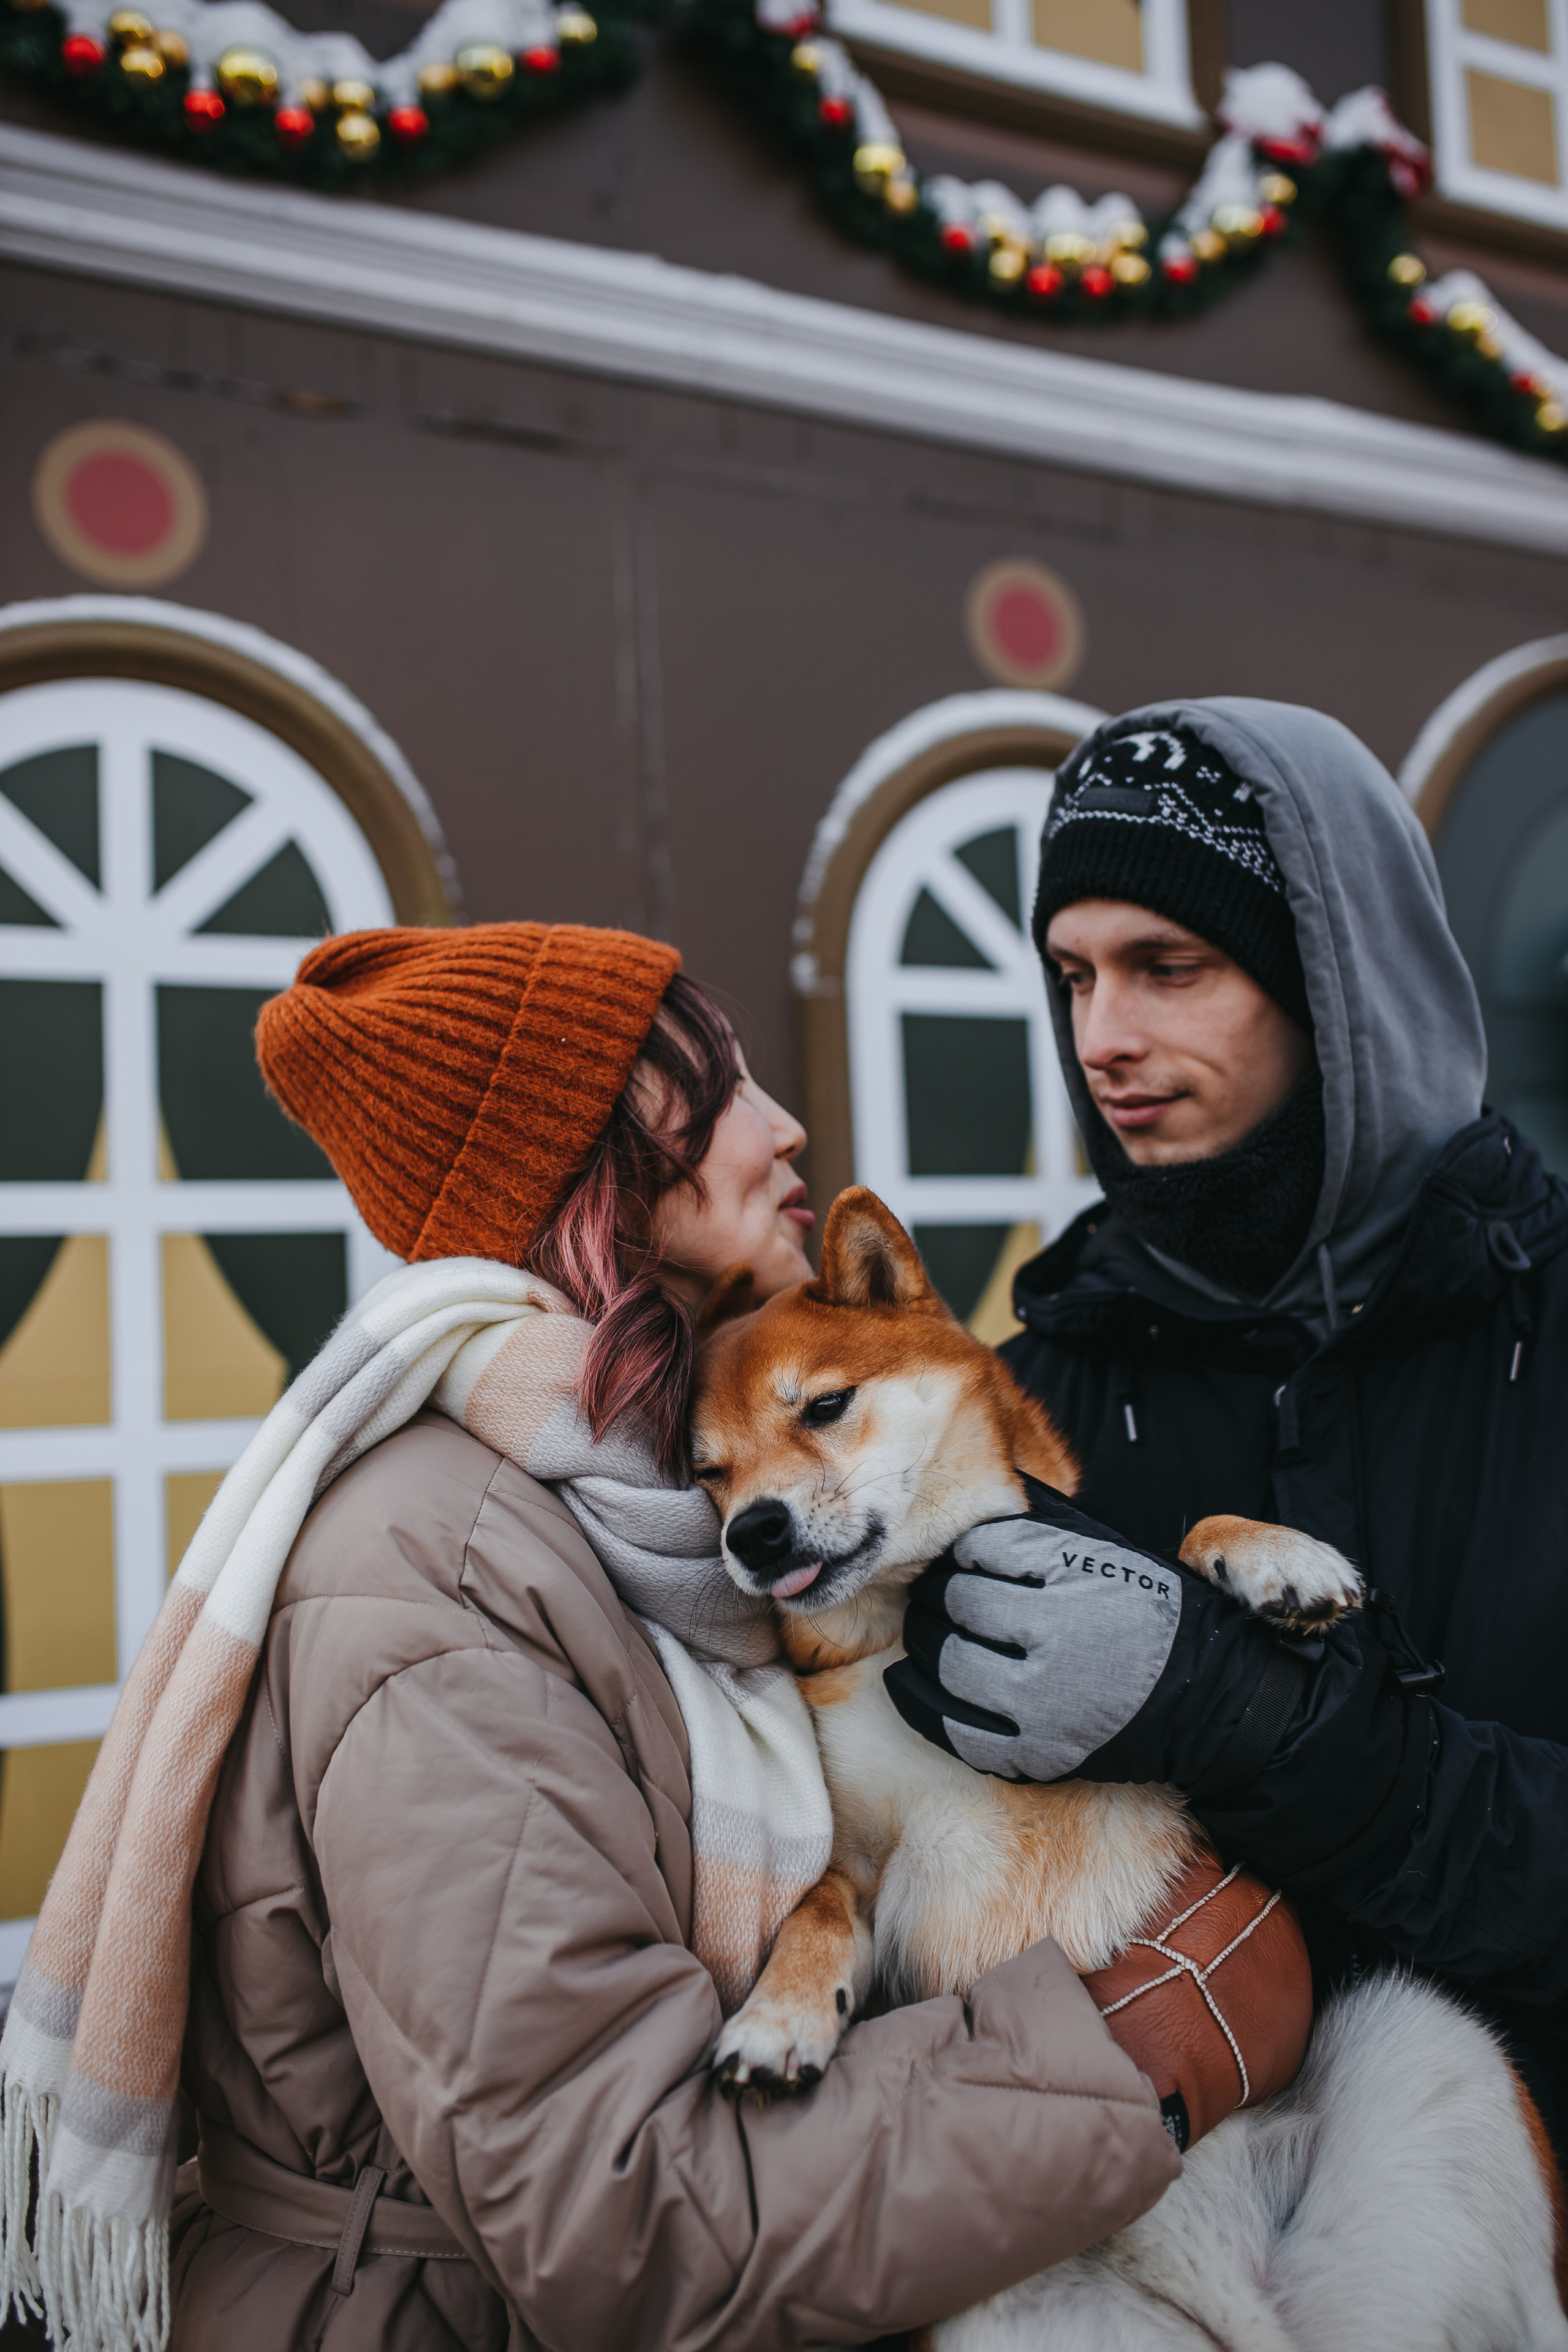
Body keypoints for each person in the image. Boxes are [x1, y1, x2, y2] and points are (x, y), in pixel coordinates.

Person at [102, 922, 1186, 2352]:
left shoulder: (659, 1514)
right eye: (721, 1089)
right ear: (596, 1170)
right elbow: (610, 2216)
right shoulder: (439, 1578)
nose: (784, 1127)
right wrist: (1154, 2052)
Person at [885, 699, 1568, 2163]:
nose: (1101, 1040)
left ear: (1336, 981)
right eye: (1071, 976)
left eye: (1167, 968)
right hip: (1166, 2233)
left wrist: (1254, 1721)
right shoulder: (1026, 1402)